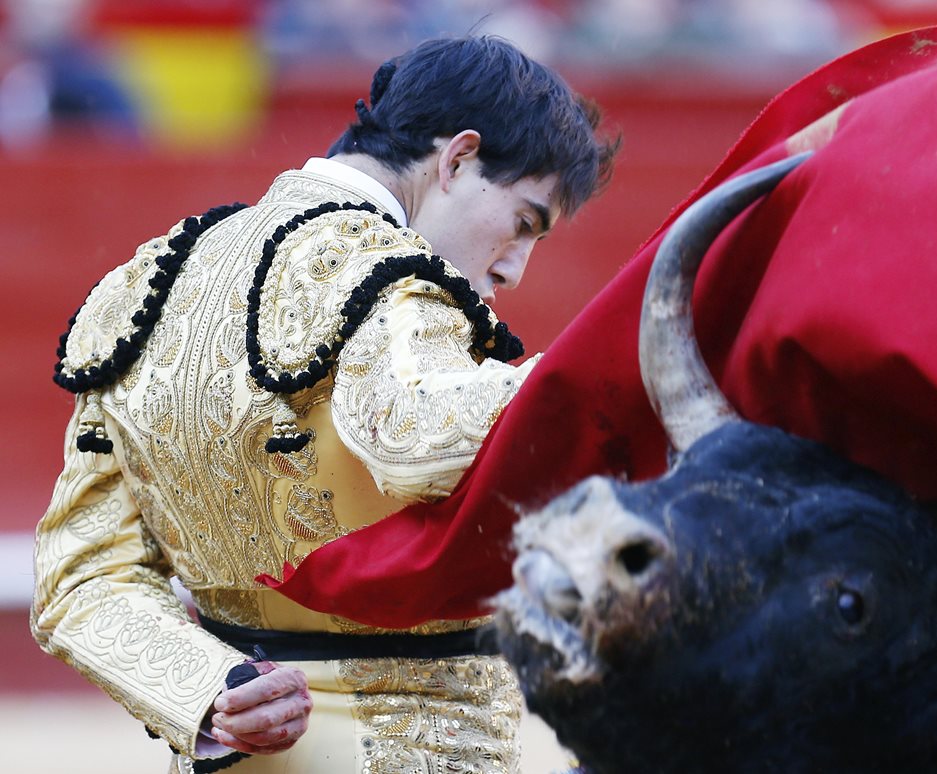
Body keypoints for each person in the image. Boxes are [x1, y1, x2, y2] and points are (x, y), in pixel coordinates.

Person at [31, 35, 617, 773]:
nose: (515, 268)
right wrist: (609, 369)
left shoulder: (145, 287)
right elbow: (419, 440)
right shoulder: (394, 275)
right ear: (458, 159)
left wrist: (213, 690)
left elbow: (82, 577)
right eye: (523, 222)